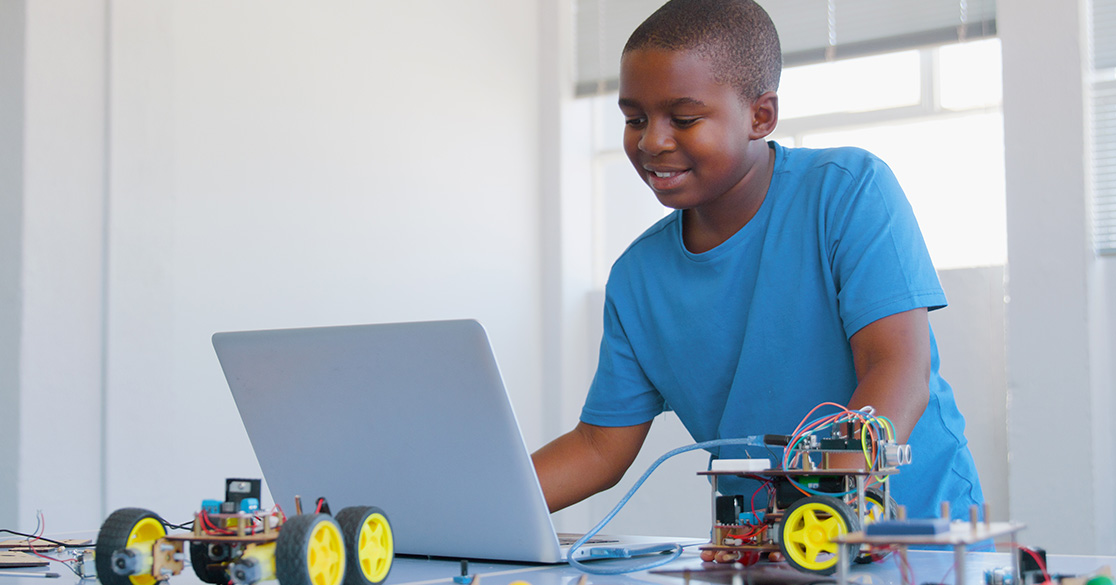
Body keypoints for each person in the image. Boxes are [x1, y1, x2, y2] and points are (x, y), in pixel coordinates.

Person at [531, 0, 983, 524]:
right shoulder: (637, 278)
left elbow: (897, 368)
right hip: (765, 547)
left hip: (914, 527)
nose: (652, 141)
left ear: (760, 116)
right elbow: (597, 447)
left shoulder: (847, 190)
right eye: (635, 118)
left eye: (683, 118)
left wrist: (825, 502)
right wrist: (465, 506)